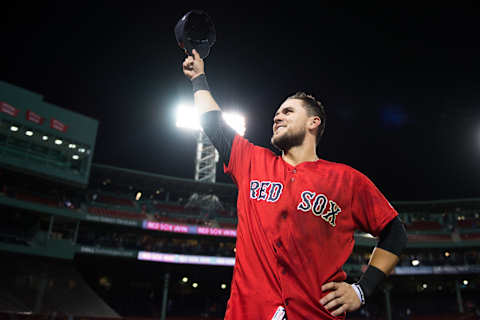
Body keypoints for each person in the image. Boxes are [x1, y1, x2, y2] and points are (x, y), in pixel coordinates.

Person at [182, 49, 408, 320]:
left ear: (314, 122)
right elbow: (213, 123)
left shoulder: (346, 179)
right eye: (276, 113)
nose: (277, 117)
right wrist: (198, 78)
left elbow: (395, 232)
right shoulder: (252, 160)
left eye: (288, 112)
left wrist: (362, 289)